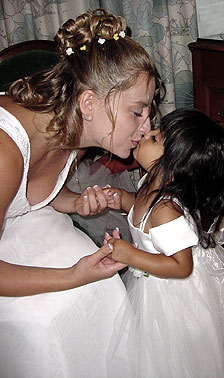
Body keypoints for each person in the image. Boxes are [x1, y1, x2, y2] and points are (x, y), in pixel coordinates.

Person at [0, 8, 161, 378]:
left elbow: (33, 186)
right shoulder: (4, 149)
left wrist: (73, 201)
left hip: (23, 225)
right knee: (44, 326)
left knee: (106, 293)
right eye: (137, 112)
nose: (148, 125)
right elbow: (14, 172)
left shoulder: (74, 124)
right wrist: (73, 275)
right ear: (90, 103)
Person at [101, 108, 224, 378]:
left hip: (174, 294)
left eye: (157, 138)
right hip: (154, 282)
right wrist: (124, 199)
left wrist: (130, 255)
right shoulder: (151, 180)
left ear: (173, 166)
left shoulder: (166, 210)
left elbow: (182, 266)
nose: (147, 133)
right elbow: (141, 209)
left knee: (174, 357)